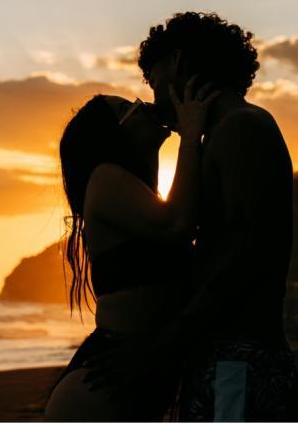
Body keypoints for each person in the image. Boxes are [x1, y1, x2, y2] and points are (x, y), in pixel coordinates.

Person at [84, 11, 298, 421]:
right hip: (223, 355)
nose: (152, 99)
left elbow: (246, 253)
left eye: (152, 82)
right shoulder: (220, 133)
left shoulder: (241, 127)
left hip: (239, 357)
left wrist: (164, 344)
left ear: (178, 65)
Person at [43, 78, 219, 421]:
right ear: (114, 134)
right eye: (128, 107)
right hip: (103, 384)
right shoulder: (104, 178)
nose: (143, 105)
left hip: (128, 373)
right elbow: (178, 224)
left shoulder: (140, 196)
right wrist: (190, 133)